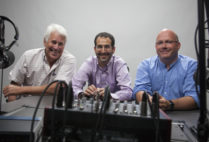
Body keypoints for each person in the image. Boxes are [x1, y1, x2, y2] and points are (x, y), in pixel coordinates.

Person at [3, 23, 76, 102]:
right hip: (26, 108)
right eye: (54, 42)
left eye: (60, 44)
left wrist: (21, 89)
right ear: (45, 41)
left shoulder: (69, 60)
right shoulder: (28, 56)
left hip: (55, 110)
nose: (56, 47)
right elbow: (13, 87)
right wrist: (12, 111)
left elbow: (57, 88)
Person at [132, 29, 199, 110]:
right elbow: (139, 90)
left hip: (183, 115)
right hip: (152, 114)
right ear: (156, 47)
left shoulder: (191, 66)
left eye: (168, 42)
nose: (164, 46)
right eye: (160, 43)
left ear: (178, 45)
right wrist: (149, 100)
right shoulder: (145, 65)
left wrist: (170, 104)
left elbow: (194, 98)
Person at [72, 32, 132, 100]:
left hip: (113, 105)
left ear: (113, 49)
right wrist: (82, 95)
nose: (103, 51)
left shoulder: (119, 64)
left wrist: (110, 96)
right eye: (100, 47)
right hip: (93, 107)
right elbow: (74, 86)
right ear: (95, 49)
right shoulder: (89, 62)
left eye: (107, 47)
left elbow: (128, 92)